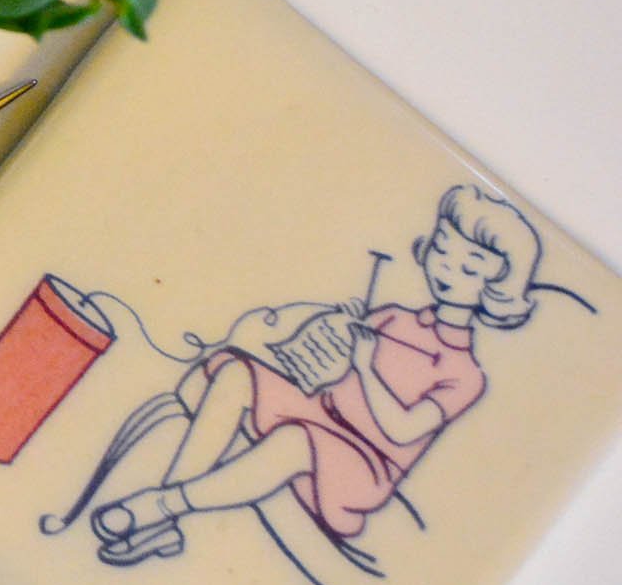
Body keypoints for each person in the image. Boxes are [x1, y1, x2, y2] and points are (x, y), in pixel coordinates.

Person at [90, 184, 542, 565]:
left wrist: (365, 368)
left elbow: (402, 429)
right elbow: (329, 371)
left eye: (469, 267)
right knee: (235, 377)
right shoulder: (394, 317)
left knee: (294, 442)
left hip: (362, 465)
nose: (447, 269)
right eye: (443, 250)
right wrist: (334, 332)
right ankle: (163, 525)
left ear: (496, 288)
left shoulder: (466, 375)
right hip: (319, 414)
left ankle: (161, 504)